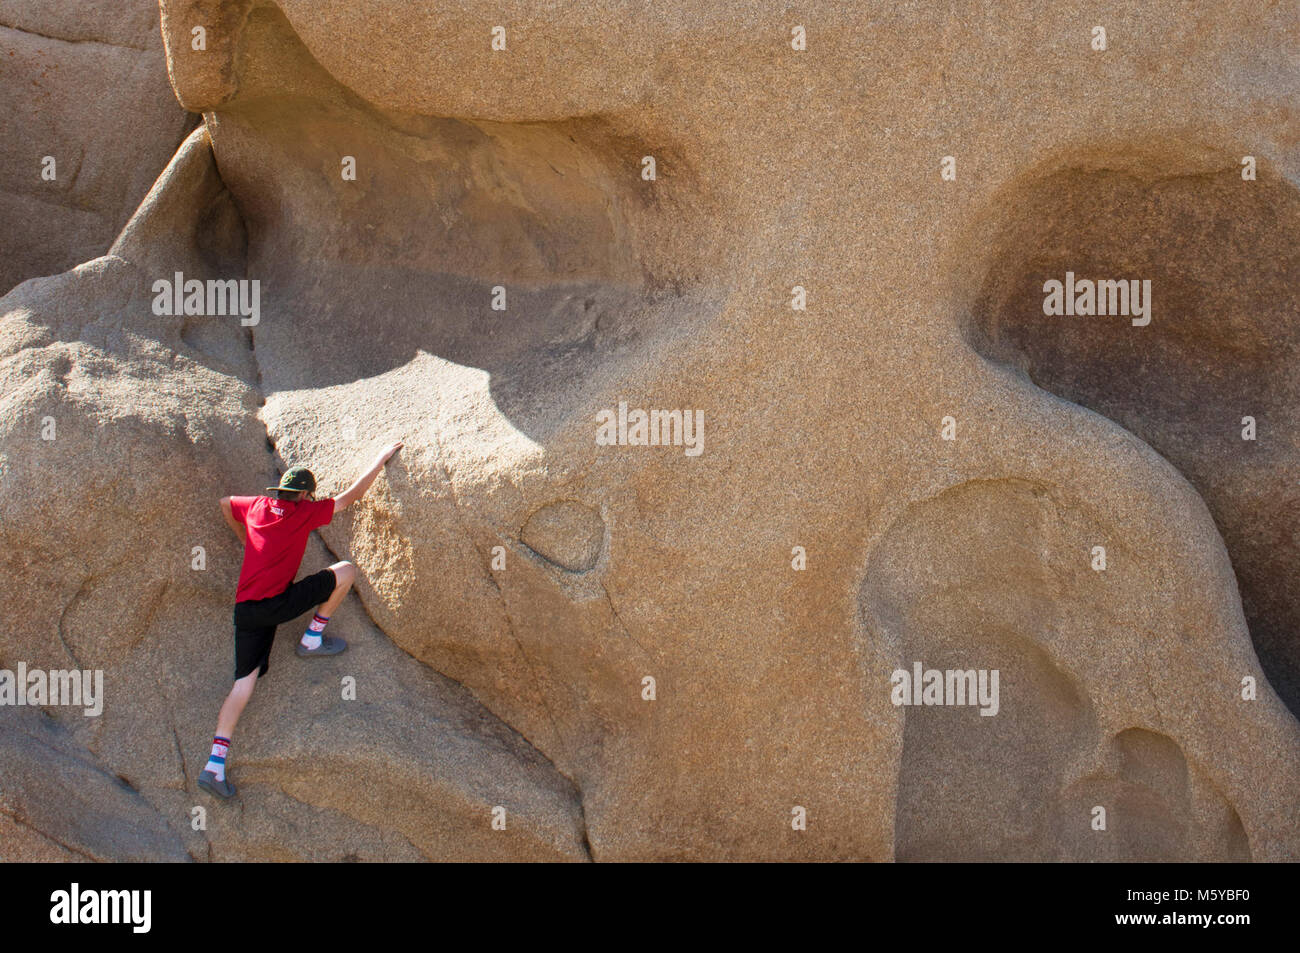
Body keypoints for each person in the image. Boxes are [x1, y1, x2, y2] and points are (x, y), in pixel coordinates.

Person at [197, 441, 404, 799]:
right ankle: (312, 639)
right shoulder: (303, 513)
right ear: (305, 497)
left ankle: (214, 765)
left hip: (246, 609)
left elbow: (224, 504)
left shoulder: (258, 505)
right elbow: (349, 497)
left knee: (243, 683)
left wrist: (245, 538)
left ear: (280, 492)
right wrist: (380, 458)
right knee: (346, 571)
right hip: (279, 603)